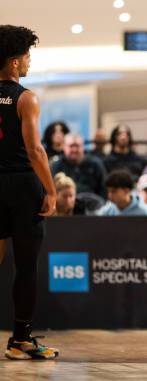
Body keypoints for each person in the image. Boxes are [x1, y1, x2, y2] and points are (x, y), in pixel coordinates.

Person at [0, 25, 58, 359]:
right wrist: (50, 190)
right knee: (25, 266)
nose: (28, 61)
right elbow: (35, 150)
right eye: (26, 56)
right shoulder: (26, 98)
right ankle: (20, 340)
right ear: (13, 63)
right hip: (23, 186)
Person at [51, 134, 107, 198]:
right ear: (64, 147)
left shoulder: (95, 164)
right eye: (71, 146)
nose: (74, 150)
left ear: (82, 147)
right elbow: (52, 189)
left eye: (77, 146)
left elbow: (103, 190)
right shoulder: (57, 165)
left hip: (92, 205)